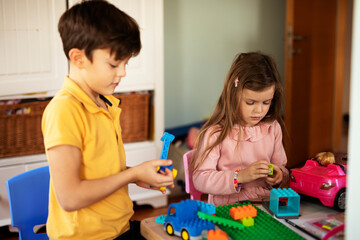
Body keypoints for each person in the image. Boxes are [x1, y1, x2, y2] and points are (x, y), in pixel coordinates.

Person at [41, 1, 174, 239]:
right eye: (114, 64)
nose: (122, 72)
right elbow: (70, 198)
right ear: (78, 58)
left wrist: (139, 174)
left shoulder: (104, 103)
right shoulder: (64, 110)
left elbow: (99, 170)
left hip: (118, 227)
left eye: (125, 63)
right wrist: (132, 175)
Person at [191, 52, 289, 206]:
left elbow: (281, 168)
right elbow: (201, 179)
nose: (259, 110)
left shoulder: (272, 128)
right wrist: (240, 177)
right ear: (233, 94)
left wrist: (278, 175)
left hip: (265, 204)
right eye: (250, 102)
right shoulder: (216, 134)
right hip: (228, 208)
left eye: (266, 102)